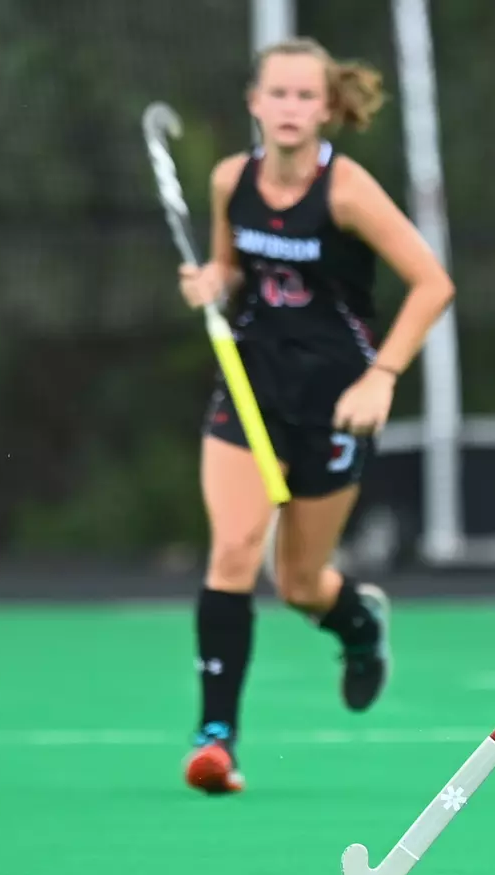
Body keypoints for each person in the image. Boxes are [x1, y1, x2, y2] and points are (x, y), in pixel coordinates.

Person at [176, 38, 454, 795]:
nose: (292, 108)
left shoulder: (347, 191)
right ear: (254, 102)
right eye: (279, 94)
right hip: (249, 387)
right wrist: (214, 278)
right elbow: (233, 265)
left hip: (334, 402)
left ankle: (359, 625)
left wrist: (383, 376)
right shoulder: (231, 179)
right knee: (233, 549)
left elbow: (432, 284)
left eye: (307, 96)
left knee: (298, 582)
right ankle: (216, 740)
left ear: (328, 107)